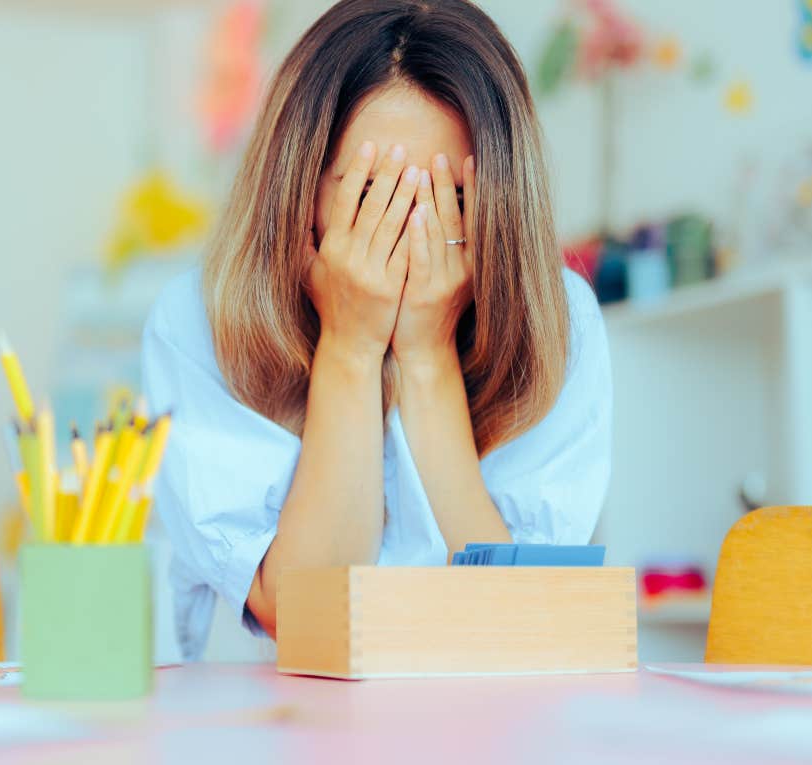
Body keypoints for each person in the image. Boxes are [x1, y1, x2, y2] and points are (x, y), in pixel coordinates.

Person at [142, 0, 612, 660]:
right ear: (301, 187)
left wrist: (427, 356)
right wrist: (351, 347)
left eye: (445, 198)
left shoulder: (563, 321)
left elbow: (522, 618)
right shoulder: (197, 315)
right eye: (371, 194)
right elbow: (298, 608)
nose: (406, 232)